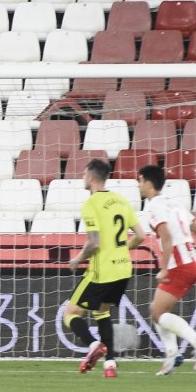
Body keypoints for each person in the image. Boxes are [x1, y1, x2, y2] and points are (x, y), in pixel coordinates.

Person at [65, 159, 146, 378]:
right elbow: (141, 236)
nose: (83, 178)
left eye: (84, 174)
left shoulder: (91, 203)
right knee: (102, 312)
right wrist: (122, 250)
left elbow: (94, 243)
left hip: (103, 271)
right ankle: (110, 364)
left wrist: (77, 260)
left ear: (90, 177)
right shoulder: (120, 201)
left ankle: (94, 346)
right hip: (123, 270)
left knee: (70, 314)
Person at [137, 165, 196, 375]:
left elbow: (166, 236)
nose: (138, 184)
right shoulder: (174, 205)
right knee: (156, 310)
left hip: (179, 265)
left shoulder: (153, 207)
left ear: (149, 184)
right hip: (192, 263)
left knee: (158, 312)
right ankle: (171, 356)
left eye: (140, 180)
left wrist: (163, 269)